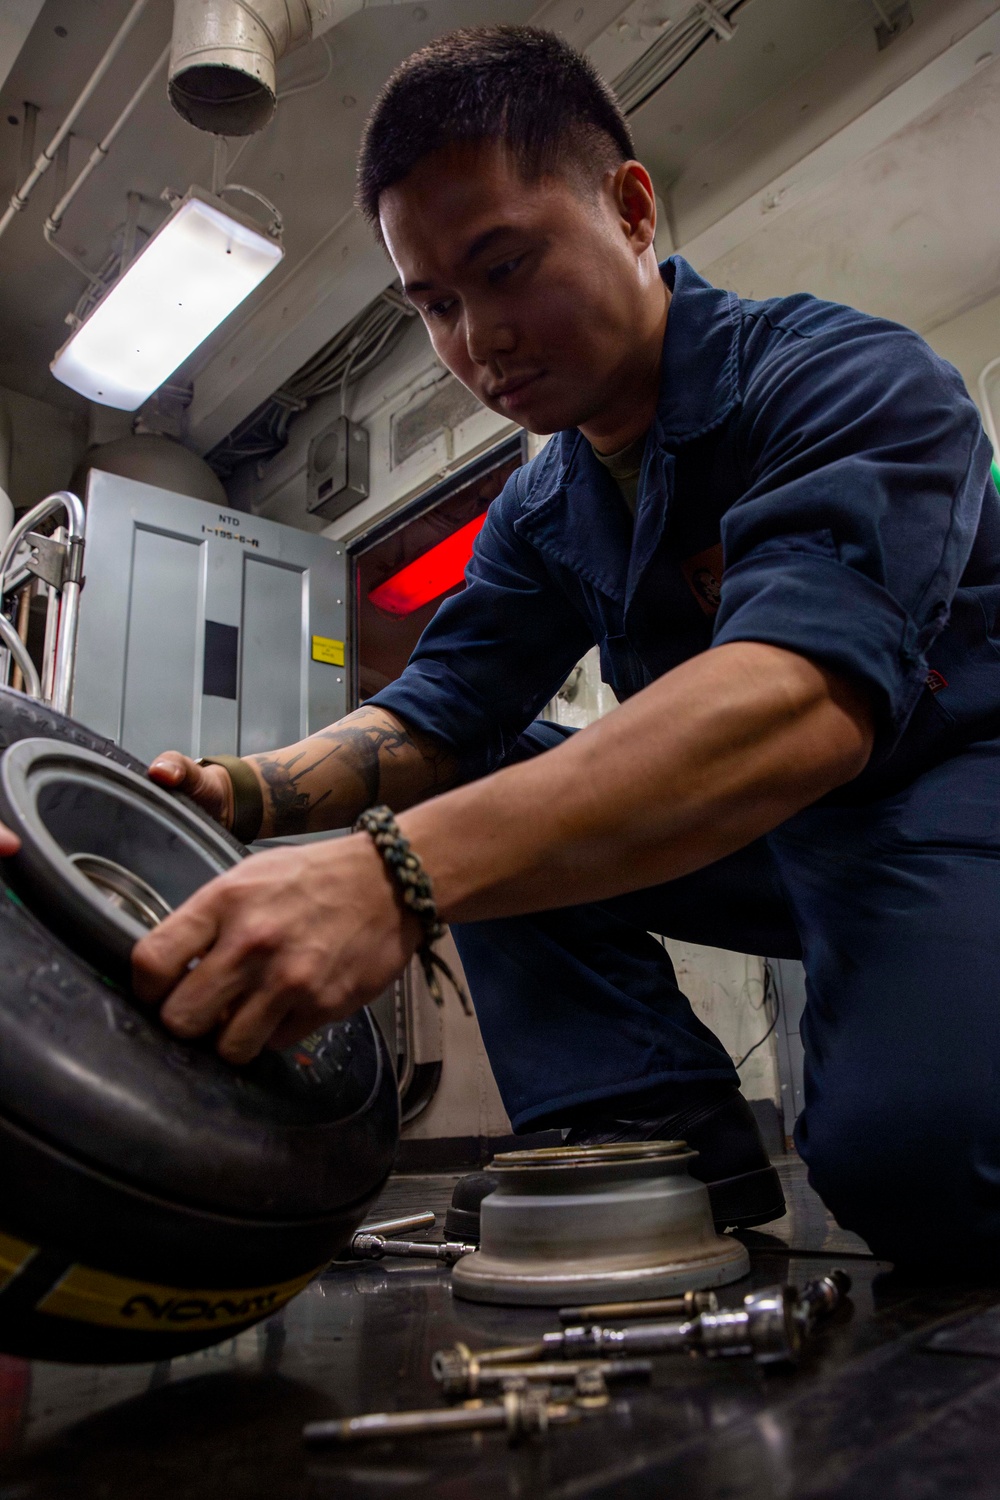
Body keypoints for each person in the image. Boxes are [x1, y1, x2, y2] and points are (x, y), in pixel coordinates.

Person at [111, 25, 994, 1266]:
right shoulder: (544, 507)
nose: (480, 343)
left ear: (631, 209)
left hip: (947, 809)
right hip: (769, 840)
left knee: (923, 1167)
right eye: (434, 306)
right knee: (477, 760)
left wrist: (391, 875)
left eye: (506, 266)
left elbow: (800, 704)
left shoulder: (845, 378)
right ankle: (649, 1136)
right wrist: (232, 799)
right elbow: (439, 712)